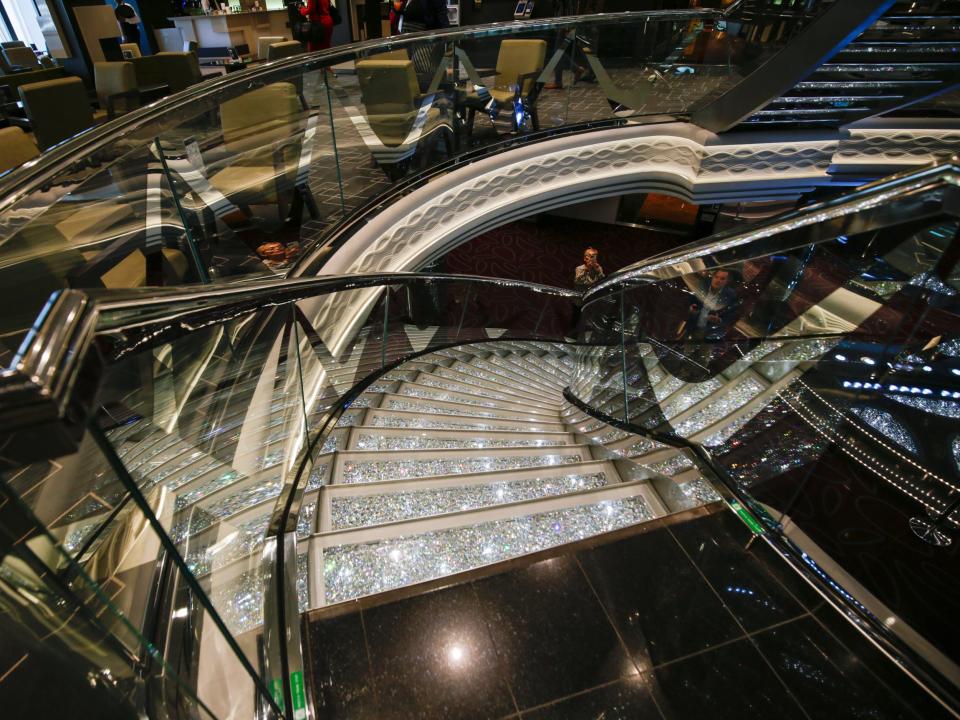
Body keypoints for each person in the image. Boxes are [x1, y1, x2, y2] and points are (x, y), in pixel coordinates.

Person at [684, 268, 739, 341]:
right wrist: (690, 309)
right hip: (692, 327)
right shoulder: (701, 286)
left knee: (705, 352)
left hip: (712, 334)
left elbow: (731, 316)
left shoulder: (731, 296)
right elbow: (689, 302)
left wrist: (719, 320)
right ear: (712, 277)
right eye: (716, 277)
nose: (718, 280)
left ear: (727, 281)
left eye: (722, 279)